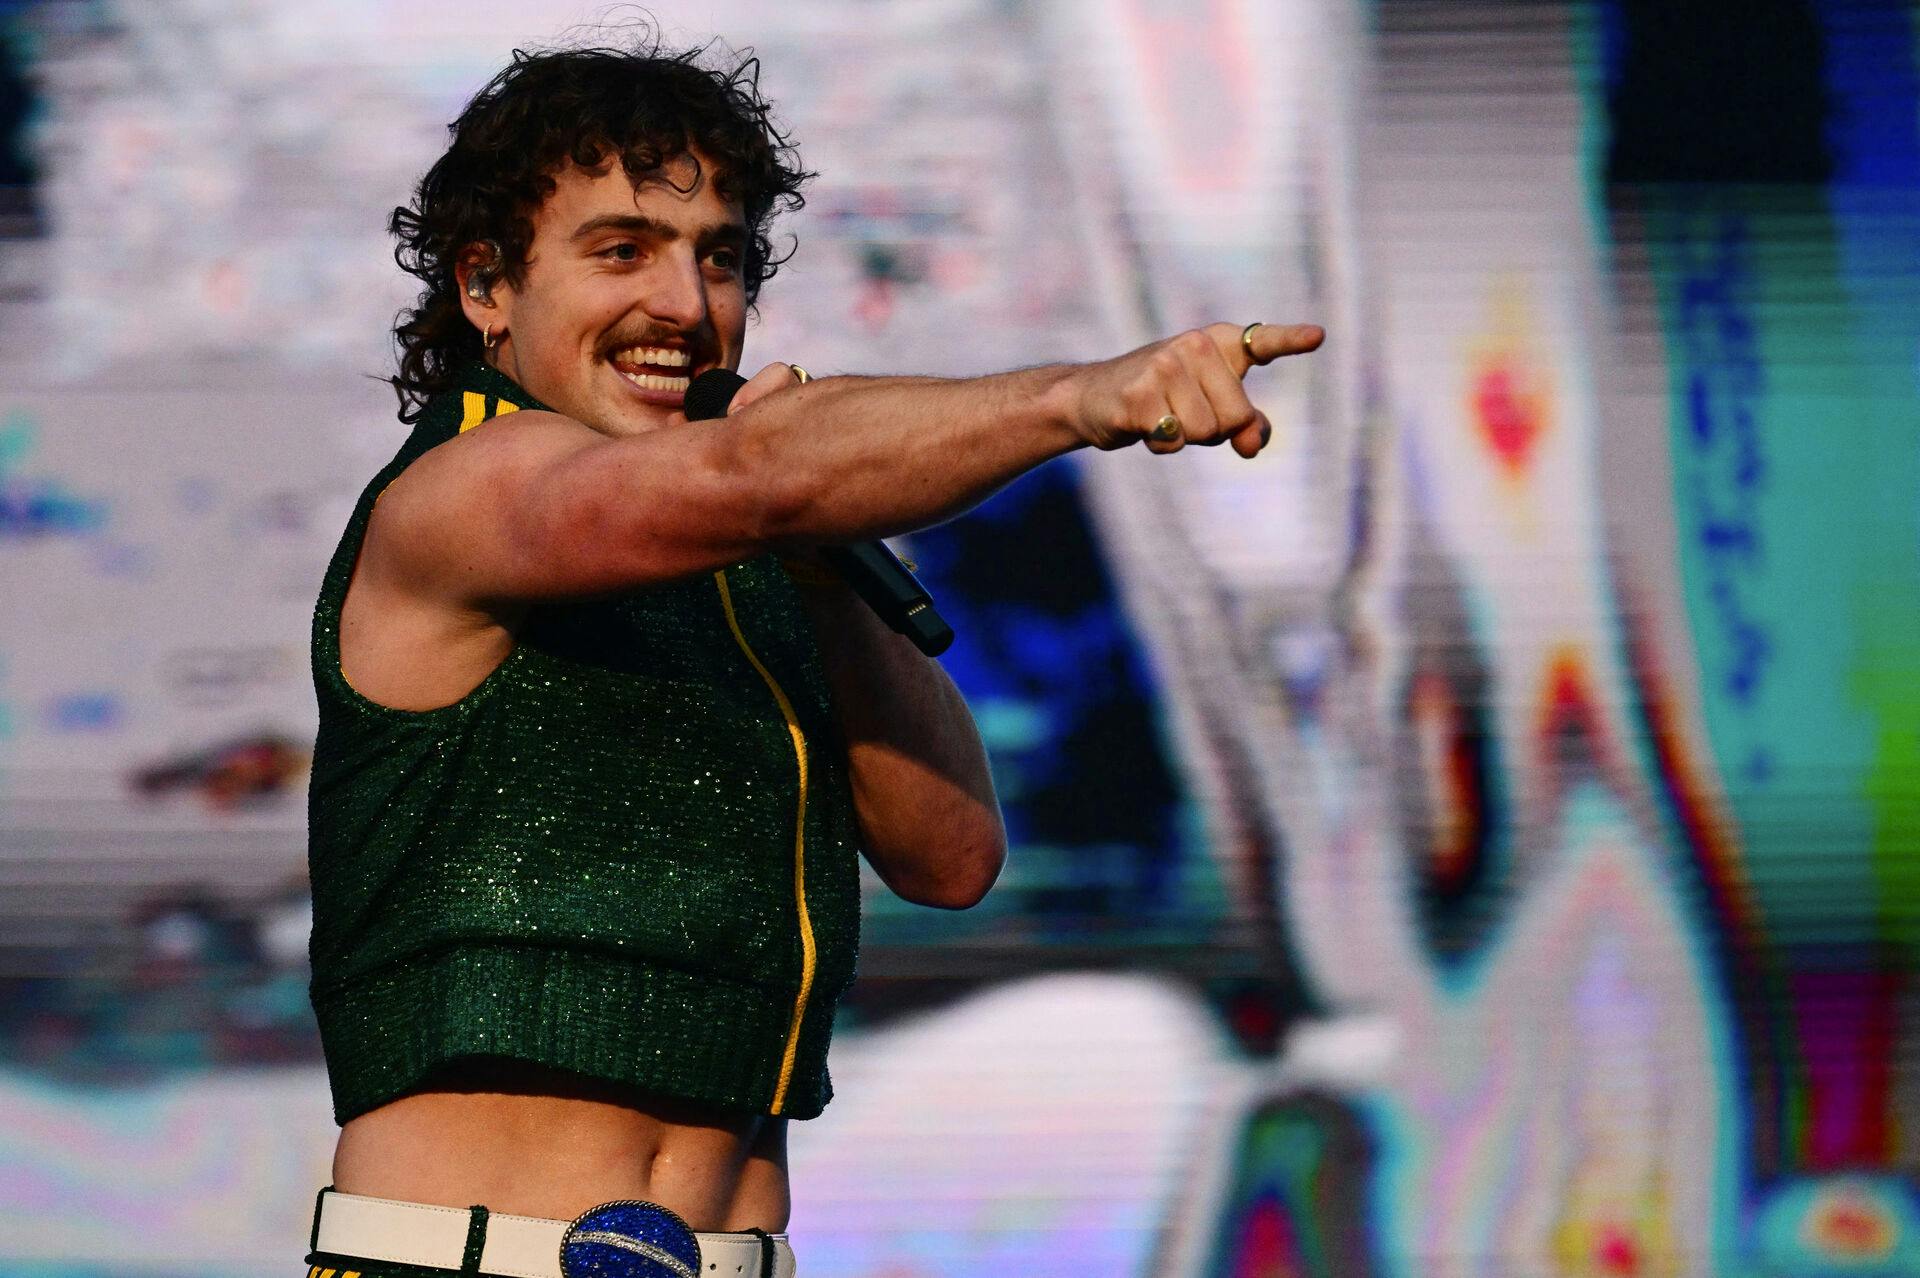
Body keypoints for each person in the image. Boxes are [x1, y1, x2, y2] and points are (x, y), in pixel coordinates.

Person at [302, 29, 1323, 1278]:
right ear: (485, 287)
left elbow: (951, 858)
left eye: (719, 259)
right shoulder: (462, 490)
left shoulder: (758, 558)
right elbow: (748, 474)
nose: (684, 306)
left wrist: (820, 570)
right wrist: (1081, 400)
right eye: (622, 250)